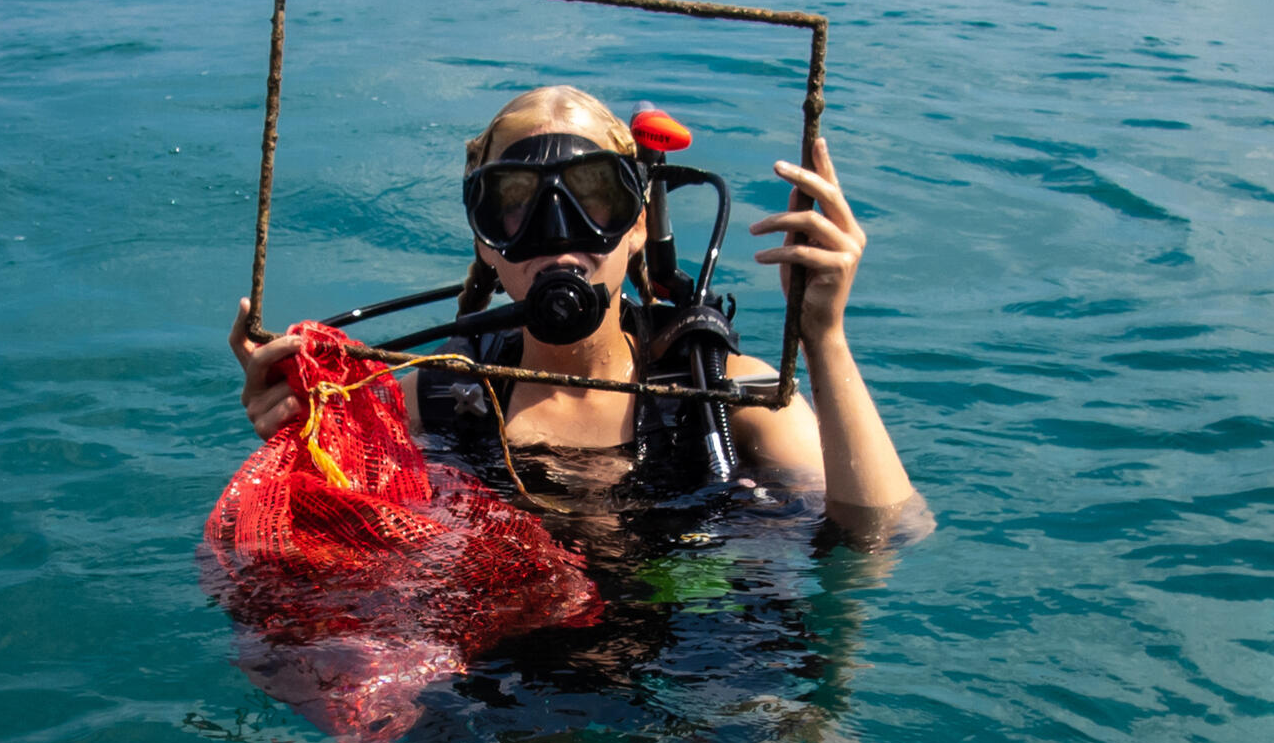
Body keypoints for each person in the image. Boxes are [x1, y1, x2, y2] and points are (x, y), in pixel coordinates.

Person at [230, 86, 920, 533]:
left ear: (641, 223)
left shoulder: (719, 395)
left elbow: (886, 532)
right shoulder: (431, 399)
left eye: (594, 198)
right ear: (485, 241)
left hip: (689, 677)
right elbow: (326, 549)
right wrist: (299, 437)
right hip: (494, 686)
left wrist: (824, 335)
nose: (557, 235)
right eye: (515, 205)